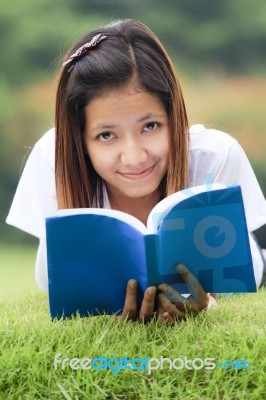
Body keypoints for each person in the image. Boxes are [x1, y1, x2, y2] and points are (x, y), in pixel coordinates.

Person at [6, 19, 266, 324]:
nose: (134, 157)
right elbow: (49, 283)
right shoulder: (54, 158)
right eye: (106, 135)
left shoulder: (215, 155)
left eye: (150, 126)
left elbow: (240, 278)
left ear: (174, 115)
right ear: (80, 140)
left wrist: (208, 304)